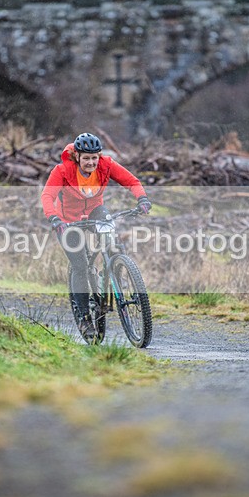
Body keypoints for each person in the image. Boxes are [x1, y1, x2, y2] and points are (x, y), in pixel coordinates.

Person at [41, 132, 152, 342]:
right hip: (68, 221)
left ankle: (118, 269)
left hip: (95, 212)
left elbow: (131, 181)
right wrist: (54, 219)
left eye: (94, 158)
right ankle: (84, 317)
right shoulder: (62, 170)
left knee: (112, 241)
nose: (91, 162)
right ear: (77, 157)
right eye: (86, 158)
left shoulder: (106, 165)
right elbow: (48, 195)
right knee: (80, 266)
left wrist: (142, 199)